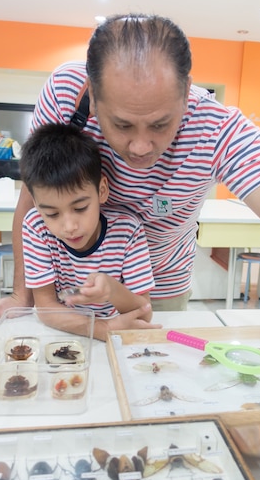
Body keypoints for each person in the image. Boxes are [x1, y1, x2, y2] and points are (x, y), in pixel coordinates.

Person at [0, 13, 260, 451]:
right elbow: (33, 197)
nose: (141, 147)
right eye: (121, 125)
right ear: (94, 95)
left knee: (158, 392)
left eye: (160, 124)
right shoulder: (67, 92)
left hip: (162, 282)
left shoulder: (216, 127)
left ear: (186, 94)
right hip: (73, 286)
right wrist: (23, 298)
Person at [20, 122, 158, 341]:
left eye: (80, 208)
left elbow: (144, 312)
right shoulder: (36, 226)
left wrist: (112, 290)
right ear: (36, 205)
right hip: (69, 334)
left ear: (102, 191)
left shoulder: (127, 230)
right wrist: (104, 329)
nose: (69, 226)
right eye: (52, 214)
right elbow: (45, 306)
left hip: (115, 336)